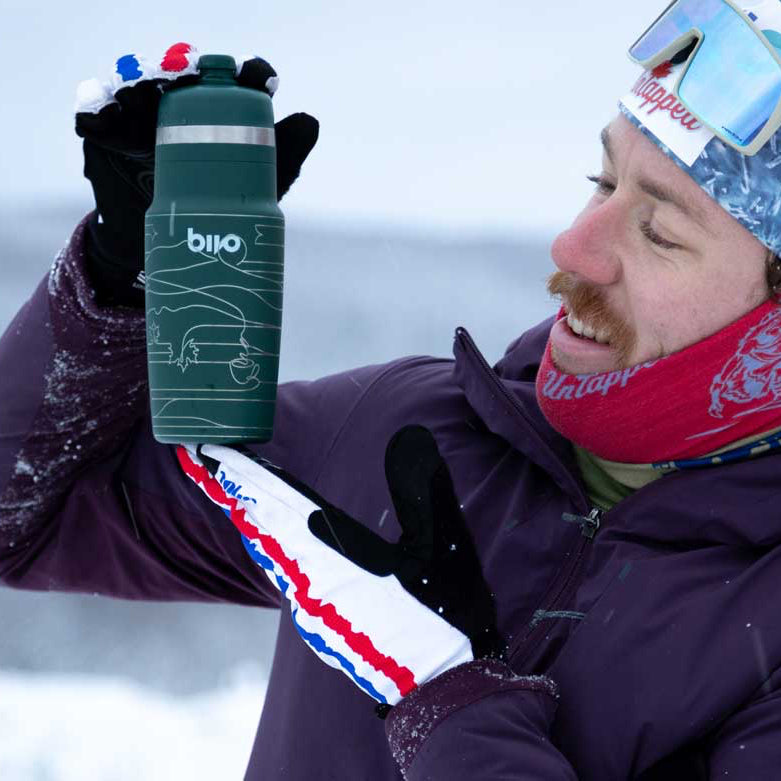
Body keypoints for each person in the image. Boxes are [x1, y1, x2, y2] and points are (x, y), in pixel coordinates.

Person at [3, 1, 781, 774]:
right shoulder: (405, 431)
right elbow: (28, 511)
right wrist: (120, 273)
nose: (572, 246)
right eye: (600, 181)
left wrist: (450, 699)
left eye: (659, 232)